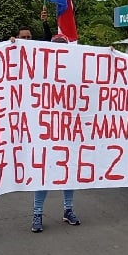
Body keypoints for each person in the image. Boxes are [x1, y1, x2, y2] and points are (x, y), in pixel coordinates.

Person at [31, 34, 80, 232]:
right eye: (56, 47)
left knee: (68, 172)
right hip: (44, 131)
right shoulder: (39, 72)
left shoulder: (75, 72)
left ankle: (68, 209)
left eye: (63, 47)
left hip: (68, 131)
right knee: (44, 173)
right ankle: (37, 213)